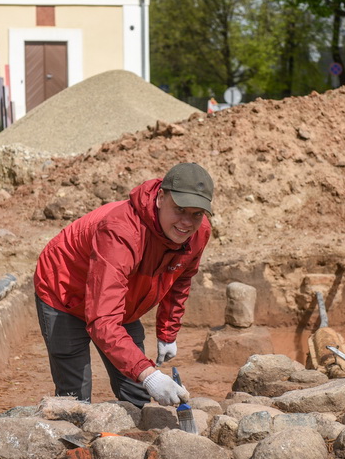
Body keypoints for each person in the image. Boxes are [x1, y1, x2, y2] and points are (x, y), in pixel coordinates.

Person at [33, 162, 214, 408]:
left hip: (120, 297)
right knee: (75, 396)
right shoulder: (121, 232)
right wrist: (149, 375)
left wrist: (167, 334)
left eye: (196, 214)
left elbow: (180, 277)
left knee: (137, 392)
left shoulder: (198, 232)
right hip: (65, 290)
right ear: (161, 197)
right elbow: (103, 320)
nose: (186, 222)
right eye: (180, 209)